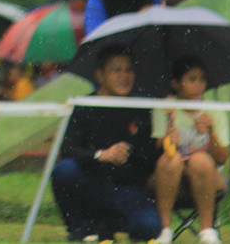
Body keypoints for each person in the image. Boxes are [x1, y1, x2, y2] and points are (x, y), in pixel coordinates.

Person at [51, 45, 162, 242]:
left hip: (128, 189)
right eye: (116, 70)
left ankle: (107, 225)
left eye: (129, 70)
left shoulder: (142, 108)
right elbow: (68, 149)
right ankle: (79, 229)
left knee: (149, 228)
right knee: (64, 170)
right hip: (91, 184)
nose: (124, 76)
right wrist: (101, 155)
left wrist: (135, 152)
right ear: (100, 75)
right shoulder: (84, 106)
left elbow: (148, 159)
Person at [151, 56, 230, 244]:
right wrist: (168, 138)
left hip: (207, 176)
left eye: (202, 79)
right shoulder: (165, 108)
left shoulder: (214, 110)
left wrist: (211, 133)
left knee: (200, 160)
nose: (199, 85)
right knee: (172, 160)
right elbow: (156, 154)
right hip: (170, 176)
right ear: (176, 83)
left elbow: (222, 159)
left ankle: (207, 230)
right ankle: (165, 230)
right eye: (192, 79)